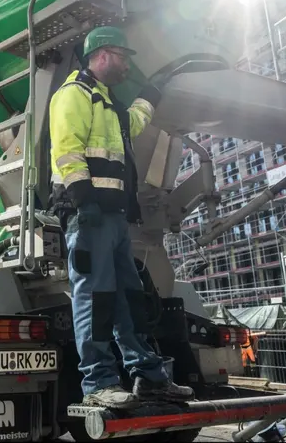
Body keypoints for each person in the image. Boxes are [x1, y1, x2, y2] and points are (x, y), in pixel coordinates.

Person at [48, 26, 195, 409]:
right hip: (88, 217)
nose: (127, 65)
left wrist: (152, 92)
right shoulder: (74, 94)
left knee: (130, 299)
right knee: (96, 299)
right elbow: (66, 151)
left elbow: (133, 125)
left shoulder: (107, 104)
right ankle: (98, 383)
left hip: (111, 218)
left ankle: (148, 377)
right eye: (122, 56)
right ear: (101, 55)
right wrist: (84, 201)